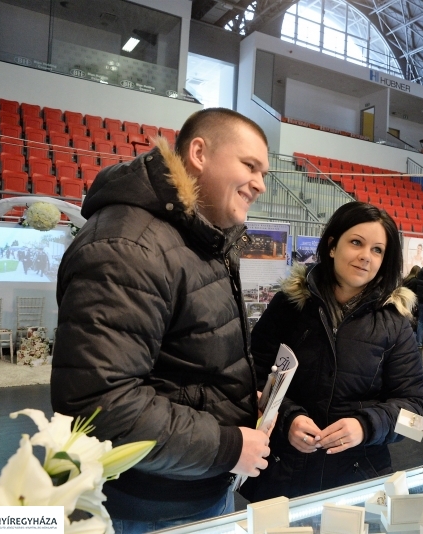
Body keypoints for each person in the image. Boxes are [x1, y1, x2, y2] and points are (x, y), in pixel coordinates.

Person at [51, 108, 273, 531]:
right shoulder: (128, 245)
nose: (260, 184)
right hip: (148, 505)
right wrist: (226, 445)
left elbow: (186, 363)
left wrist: (239, 398)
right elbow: (100, 405)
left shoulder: (198, 238)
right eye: (250, 166)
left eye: (263, 172)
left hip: (192, 486)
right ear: (199, 154)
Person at [240, 202, 423, 501]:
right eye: (356, 242)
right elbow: (252, 375)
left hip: (357, 481)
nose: (366, 256)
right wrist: (287, 418)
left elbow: (416, 411)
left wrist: (366, 426)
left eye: (377, 250)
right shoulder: (289, 305)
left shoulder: (395, 323)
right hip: (283, 473)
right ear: (331, 246)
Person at [402, 265, 421, 331]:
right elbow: (416, 293)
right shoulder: (416, 281)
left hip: (405, 301)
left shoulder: (406, 279)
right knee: (414, 320)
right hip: (412, 302)